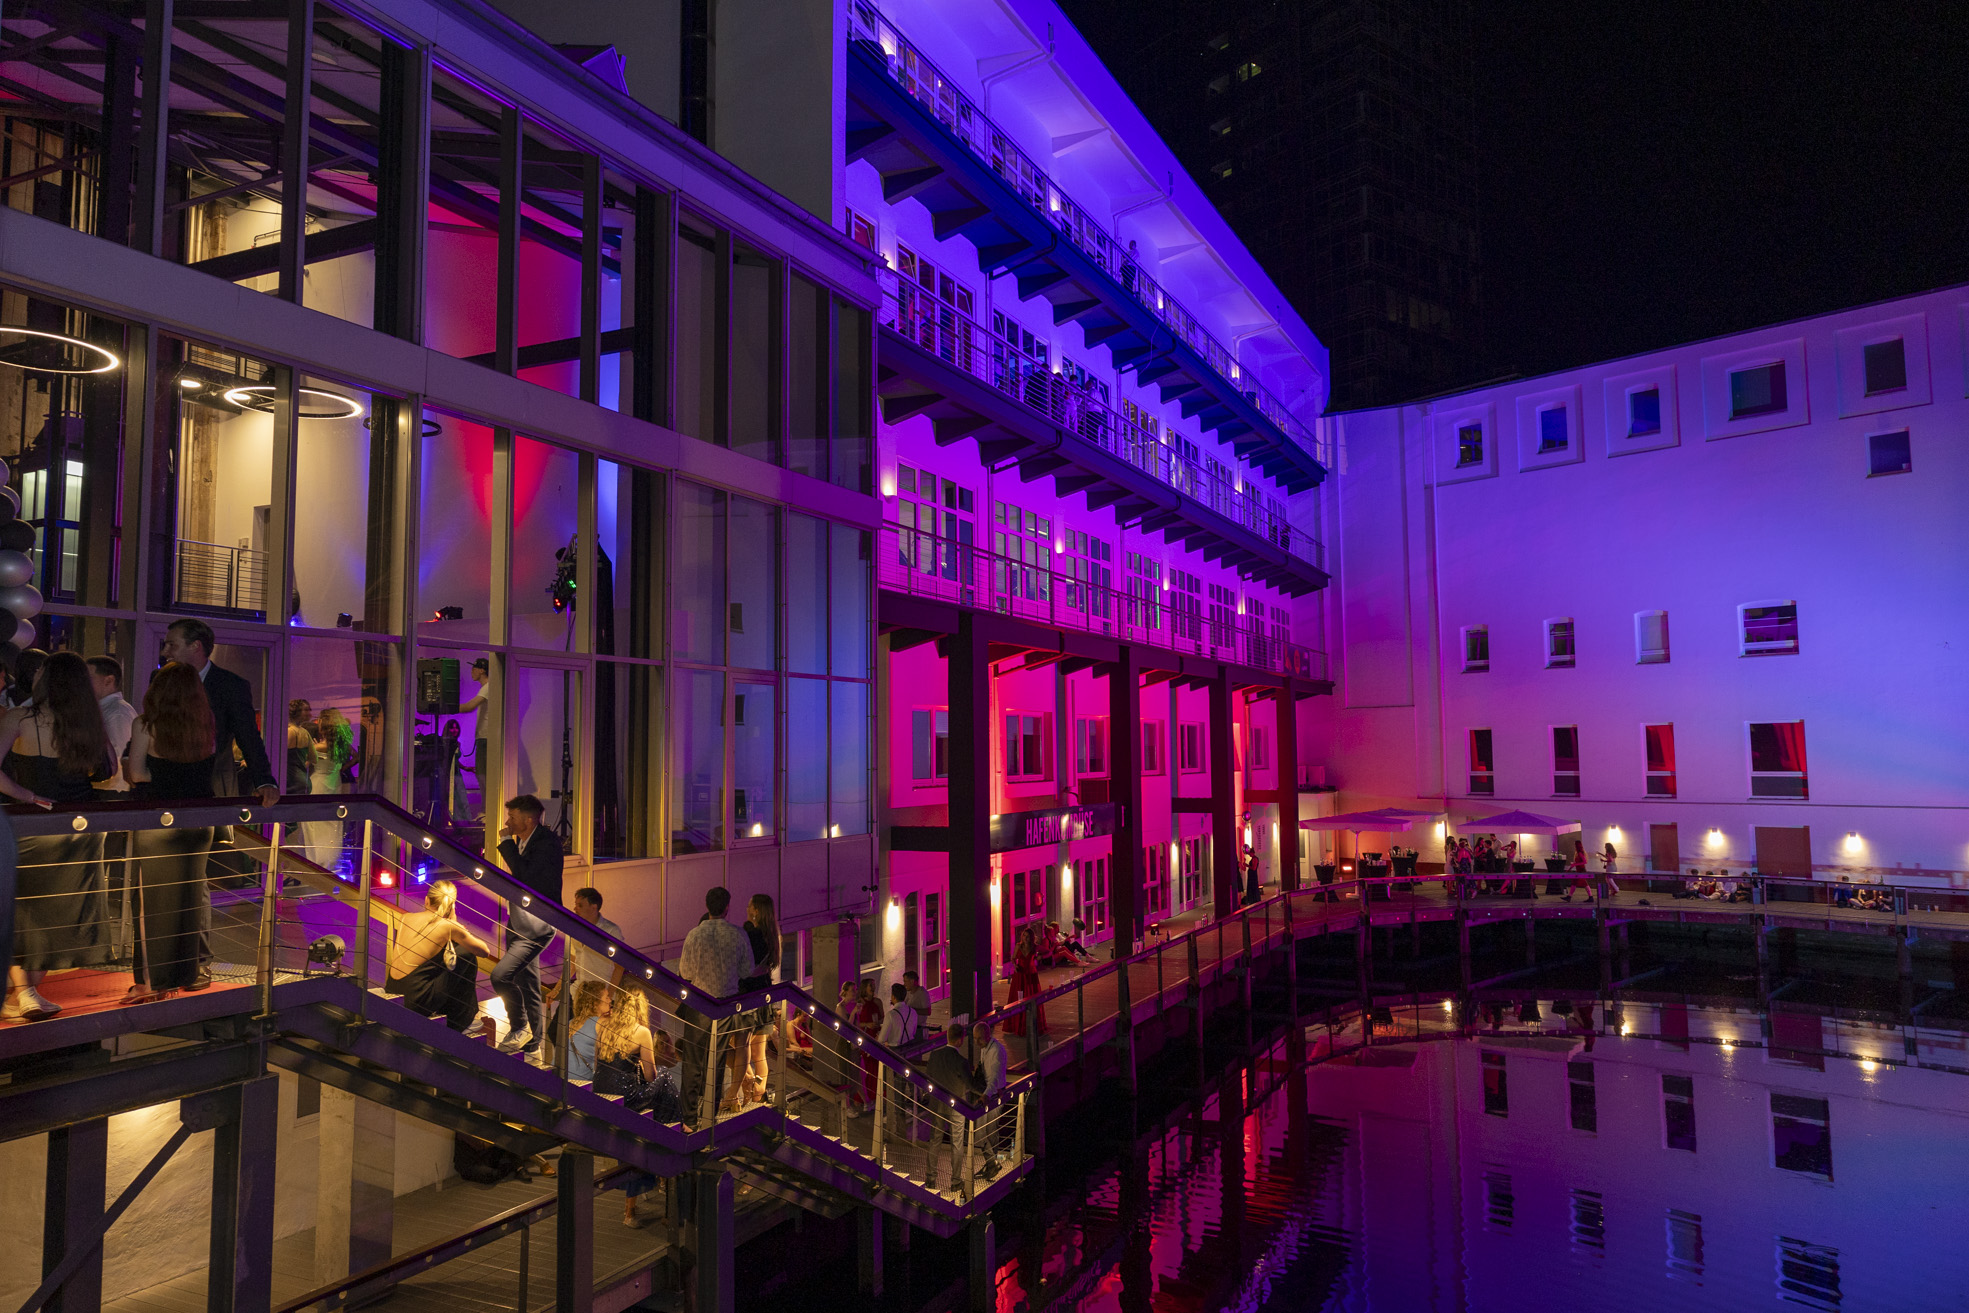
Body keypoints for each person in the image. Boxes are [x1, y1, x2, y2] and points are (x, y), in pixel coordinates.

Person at [161, 619, 278, 991]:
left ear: (196, 646)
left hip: (207, 791)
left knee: (195, 875)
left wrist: (264, 780)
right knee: (171, 877)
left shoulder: (229, 684)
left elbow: (248, 737)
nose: (165, 651)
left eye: (172, 644)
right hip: (166, 791)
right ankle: (168, 961)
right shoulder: (161, 680)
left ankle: (196, 962)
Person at [0, 652, 111, 1021]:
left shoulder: (20, 718)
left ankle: (24, 992)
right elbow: (106, 769)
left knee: (25, 908)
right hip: (79, 828)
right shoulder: (87, 723)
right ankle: (28, 991)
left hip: (33, 824)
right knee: (59, 911)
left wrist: (26, 795)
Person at [123, 662, 216, 1003]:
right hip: (199, 821)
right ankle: (185, 973)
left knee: (152, 902)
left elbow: (137, 774)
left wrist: (158, 774)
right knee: (188, 899)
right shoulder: (206, 723)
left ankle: (151, 982)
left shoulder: (146, 724)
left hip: (160, 820)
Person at [492, 793, 562, 1063]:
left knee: (500, 976)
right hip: (519, 921)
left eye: (512, 817)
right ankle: (533, 1043)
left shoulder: (546, 843)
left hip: (536, 925)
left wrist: (506, 842)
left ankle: (520, 1027)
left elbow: (525, 876)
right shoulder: (526, 841)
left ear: (529, 819)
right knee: (528, 983)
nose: (507, 822)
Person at [677, 886, 754, 1125]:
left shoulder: (694, 935)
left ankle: (689, 1119)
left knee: (692, 1060)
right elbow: (747, 970)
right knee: (717, 1062)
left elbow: (685, 972)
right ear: (727, 907)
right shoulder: (738, 934)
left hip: (699, 1002)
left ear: (707, 905)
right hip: (725, 1004)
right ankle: (710, 1115)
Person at [385, 878, 491, 1031]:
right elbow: (484, 951)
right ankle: (460, 1021)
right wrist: (455, 924)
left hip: (394, 989)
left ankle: (453, 1016)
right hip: (416, 1001)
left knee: (450, 952)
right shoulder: (447, 926)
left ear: (427, 900)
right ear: (452, 905)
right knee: (466, 954)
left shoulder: (405, 918)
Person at [88, 657, 137, 959]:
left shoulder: (117, 712)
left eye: (89, 676)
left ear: (109, 680)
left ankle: (105, 944)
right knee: (100, 872)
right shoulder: (108, 710)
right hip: (107, 797)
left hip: (111, 797)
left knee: (103, 872)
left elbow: (114, 765)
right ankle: (101, 942)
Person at [923, 1022, 983, 1194]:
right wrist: (987, 1092)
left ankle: (930, 1178)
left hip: (937, 1103)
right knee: (957, 1143)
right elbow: (970, 1085)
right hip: (957, 1106)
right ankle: (955, 1181)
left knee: (934, 1141)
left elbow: (928, 1077)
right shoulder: (961, 1061)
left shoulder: (934, 1055)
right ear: (960, 1040)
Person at [735, 893, 780, 1108]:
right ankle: (757, 1094)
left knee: (738, 1046)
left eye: (749, 906)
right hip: (764, 997)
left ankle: (753, 1088)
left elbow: (746, 966)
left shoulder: (753, 934)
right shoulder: (770, 934)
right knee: (758, 1053)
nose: (746, 909)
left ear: (756, 910)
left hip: (750, 998)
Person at [302, 706, 354, 870]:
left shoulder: (317, 747)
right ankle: (329, 861)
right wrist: (341, 768)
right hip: (334, 782)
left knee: (313, 823)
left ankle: (316, 861)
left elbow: (304, 764)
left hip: (318, 783)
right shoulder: (342, 745)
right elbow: (356, 757)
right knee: (331, 823)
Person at [972, 1018, 1011, 1174]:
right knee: (984, 1132)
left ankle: (992, 1164)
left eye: (979, 1039)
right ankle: (991, 1163)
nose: (976, 1042)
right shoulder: (986, 1047)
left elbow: (994, 1078)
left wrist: (985, 1095)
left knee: (988, 1131)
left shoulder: (996, 1051)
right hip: (989, 1092)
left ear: (987, 1035)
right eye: (975, 1039)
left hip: (994, 1095)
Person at [1002, 925, 1048, 1039]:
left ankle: (1031, 1025)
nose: (1025, 938)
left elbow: (1048, 952)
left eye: (1028, 936)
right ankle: (1017, 1025)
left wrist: (1040, 957)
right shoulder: (1019, 946)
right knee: (1018, 999)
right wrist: (1015, 966)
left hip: (1031, 975)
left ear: (1031, 938)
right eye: (1024, 936)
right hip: (1020, 975)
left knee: (1031, 997)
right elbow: (1013, 958)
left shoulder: (1035, 947)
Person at [285, 699, 316, 795]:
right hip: (304, 781)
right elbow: (314, 758)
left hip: (291, 782)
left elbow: (278, 756)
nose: (309, 713)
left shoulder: (290, 731)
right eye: (306, 710)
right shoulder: (305, 732)